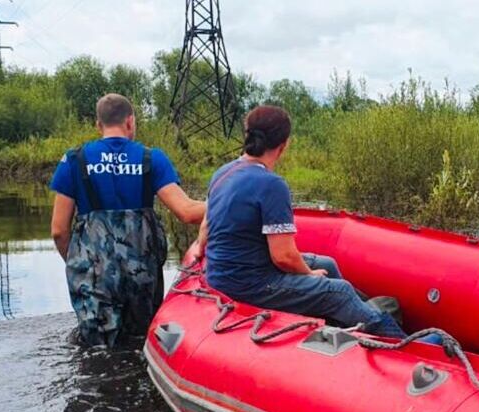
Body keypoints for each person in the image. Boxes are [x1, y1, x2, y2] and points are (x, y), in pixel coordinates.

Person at [190, 105, 407, 338]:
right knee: (340, 291)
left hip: (225, 274)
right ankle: (404, 344)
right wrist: (308, 275)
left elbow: (205, 227)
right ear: (283, 145)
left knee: (328, 263)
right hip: (249, 284)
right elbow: (283, 257)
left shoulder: (223, 172)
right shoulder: (272, 185)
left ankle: (356, 319)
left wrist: (198, 249)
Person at [50, 93, 205, 347]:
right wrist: (230, 203)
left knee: (97, 352)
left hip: (93, 274)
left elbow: (58, 230)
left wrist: (80, 264)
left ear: (98, 125)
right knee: (139, 346)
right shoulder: (151, 158)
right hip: (141, 273)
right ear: (130, 121)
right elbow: (186, 211)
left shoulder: (74, 161)